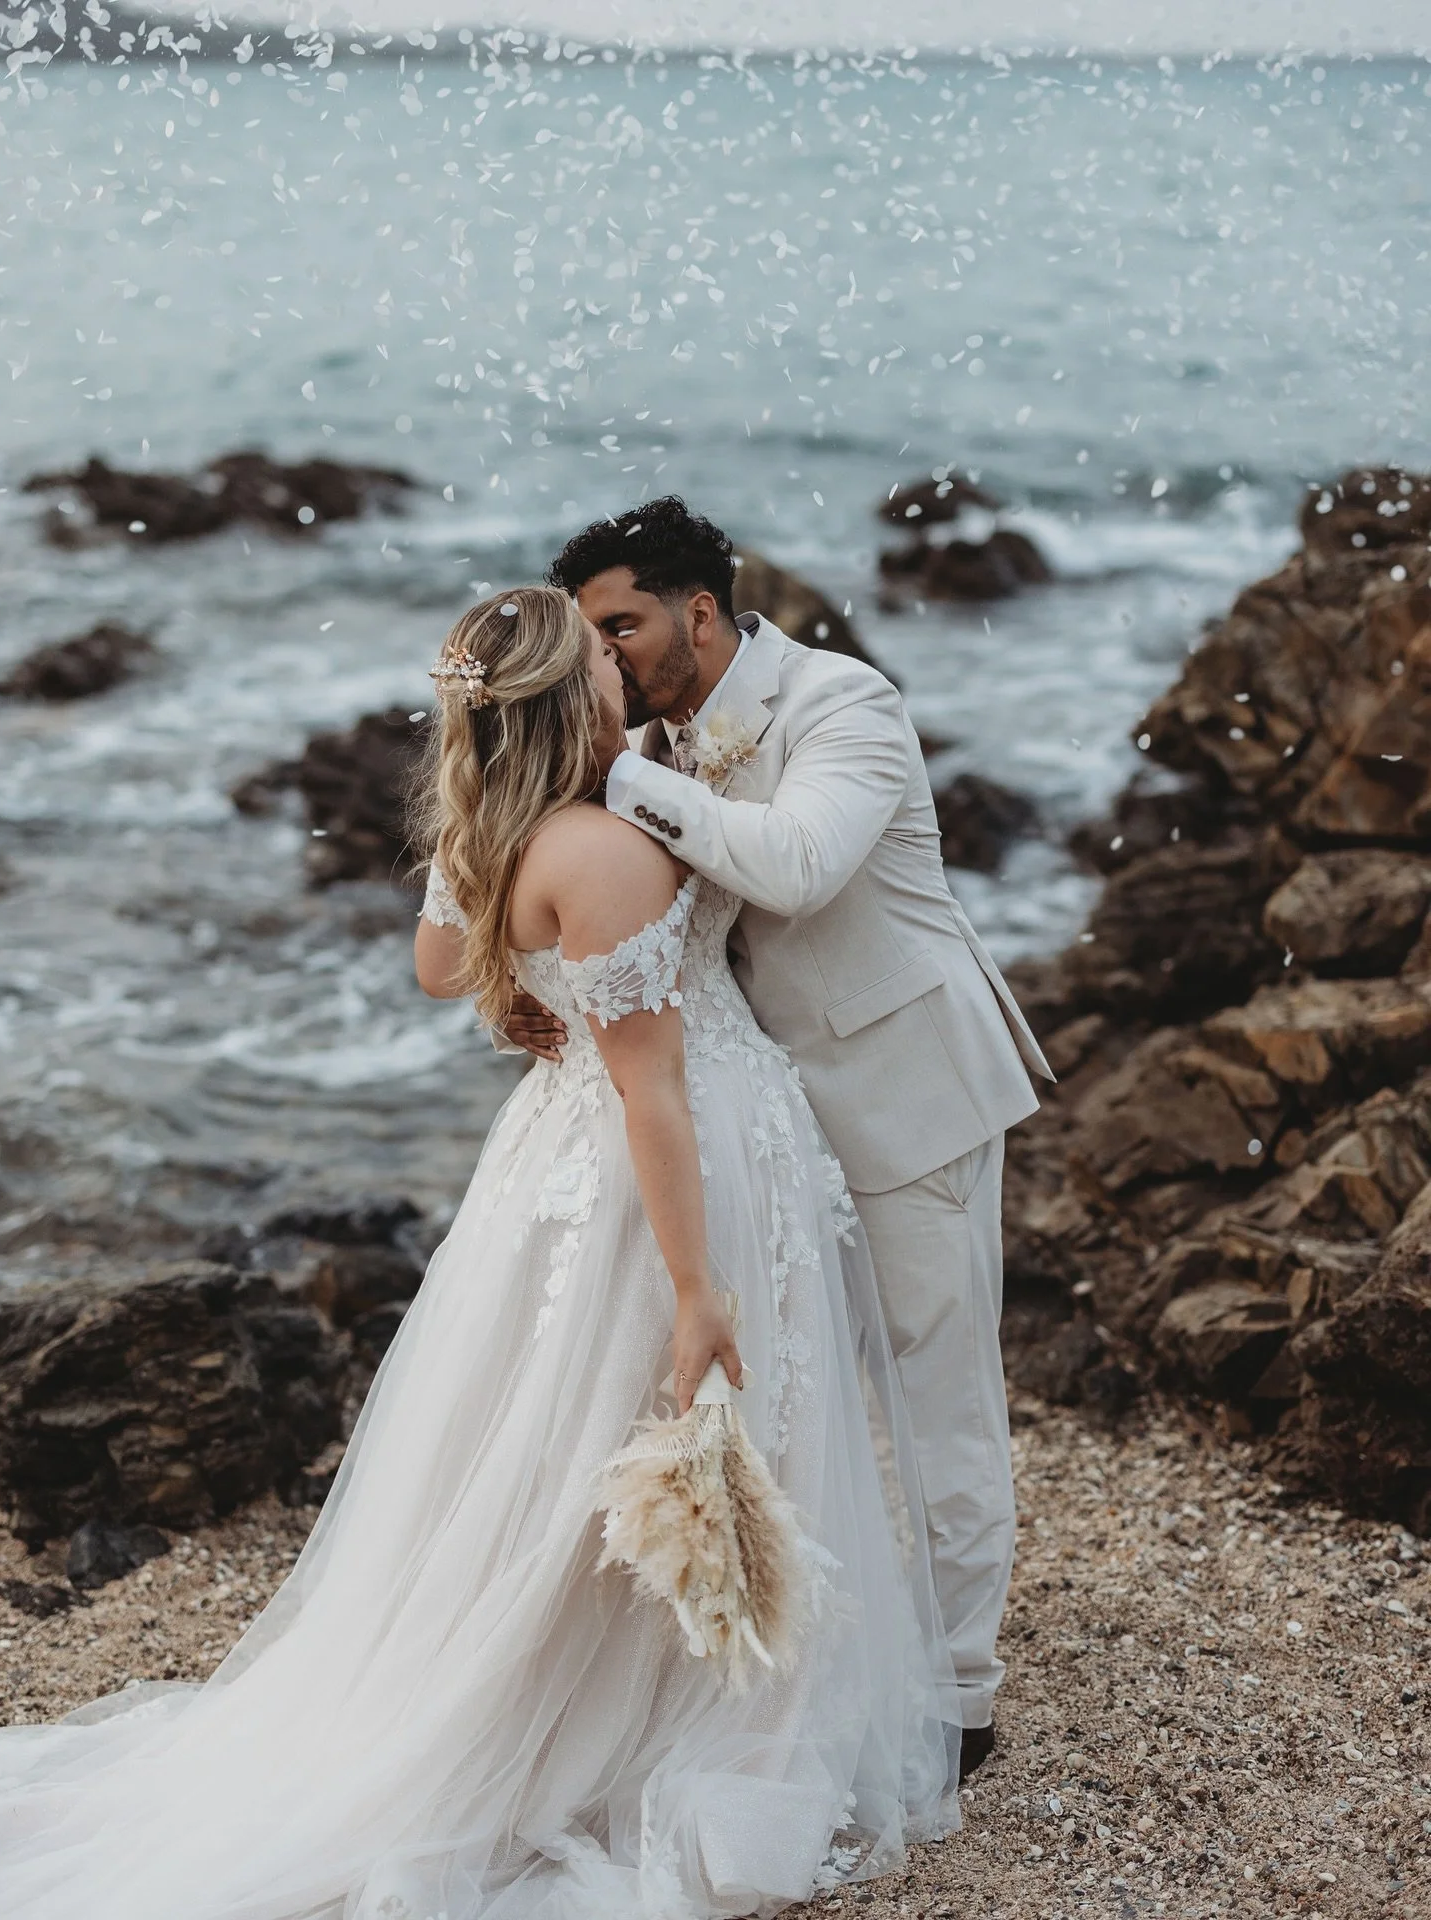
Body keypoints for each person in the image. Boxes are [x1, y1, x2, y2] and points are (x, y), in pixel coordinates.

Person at [0, 585, 952, 1920]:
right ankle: (631, 1713)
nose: (623, 664)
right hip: (658, 1175)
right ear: (576, 699)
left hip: (549, 1165)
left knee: (547, 1436)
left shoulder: (496, 826)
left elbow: (441, 966)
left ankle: (618, 1671)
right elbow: (654, 1093)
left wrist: (531, 983)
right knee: (662, 1420)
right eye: (601, 655)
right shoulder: (606, 849)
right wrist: (695, 1288)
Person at [507, 499, 1053, 1777]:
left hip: (909, 1094)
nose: (610, 656)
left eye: (621, 624)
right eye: (593, 636)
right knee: (783, 1396)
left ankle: (964, 1690)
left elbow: (800, 865)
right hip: (761, 1124)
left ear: (699, 609)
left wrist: (619, 776)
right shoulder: (650, 733)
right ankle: (798, 1659)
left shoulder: (843, 702)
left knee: (938, 1402)